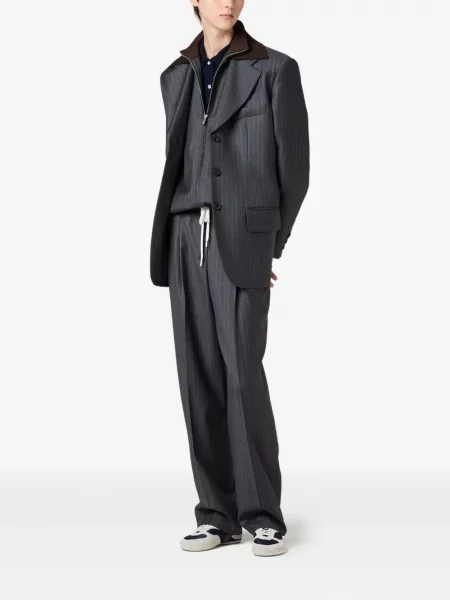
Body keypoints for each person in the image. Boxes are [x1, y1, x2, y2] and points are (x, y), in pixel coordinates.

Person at [149, 0, 309, 557]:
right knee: (197, 379)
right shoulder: (175, 75)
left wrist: (270, 244)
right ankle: (216, 514)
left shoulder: (275, 69)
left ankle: (262, 514)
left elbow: (295, 170)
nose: (229, 0)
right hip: (182, 237)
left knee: (242, 374)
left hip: (243, 241)